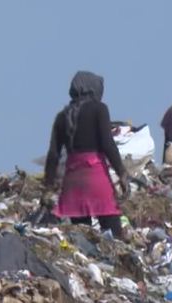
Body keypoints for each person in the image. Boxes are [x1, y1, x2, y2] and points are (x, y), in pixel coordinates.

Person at [43, 71, 130, 237]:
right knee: (113, 232)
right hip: (95, 176)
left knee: (82, 236)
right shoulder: (99, 109)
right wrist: (122, 174)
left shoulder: (62, 116)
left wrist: (48, 187)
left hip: (72, 181)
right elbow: (108, 144)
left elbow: (53, 155)